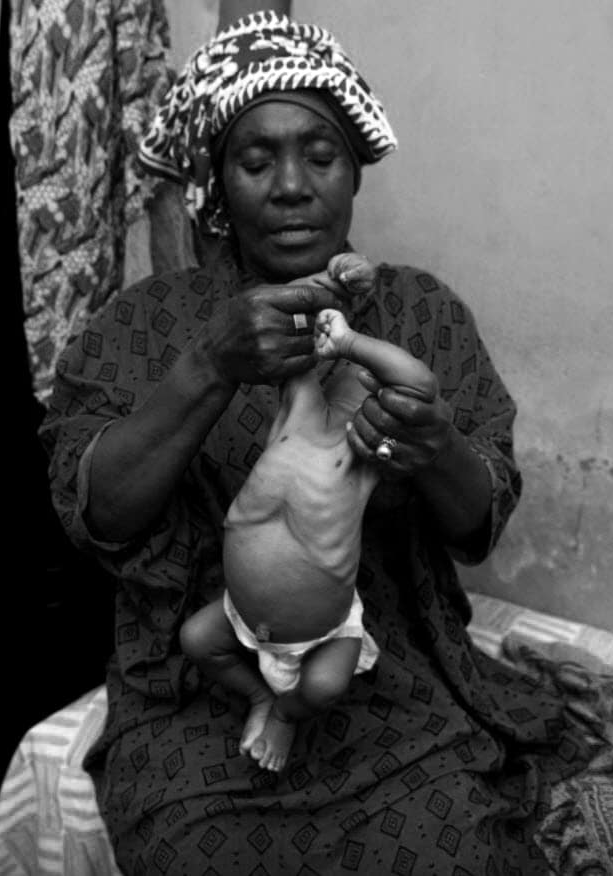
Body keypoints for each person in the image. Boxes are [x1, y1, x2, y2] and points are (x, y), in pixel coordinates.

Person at [40, 10, 592, 874]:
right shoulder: (145, 327)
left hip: (392, 683)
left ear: (355, 174)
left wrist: (434, 446)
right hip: (204, 703)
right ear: (219, 186)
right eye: (257, 161)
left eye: (321, 156)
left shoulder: (418, 313)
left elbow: (478, 524)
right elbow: (97, 516)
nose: (292, 185)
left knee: (459, 850)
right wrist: (209, 366)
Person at [181, 252, 437, 773]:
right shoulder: (297, 409)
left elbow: (418, 386)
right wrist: (331, 283)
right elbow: (288, 316)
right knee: (196, 640)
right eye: (351, 367)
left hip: (323, 633)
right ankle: (259, 696)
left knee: (323, 687)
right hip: (244, 618)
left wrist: (351, 343)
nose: (362, 379)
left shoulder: (362, 457)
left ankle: (286, 714)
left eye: (376, 380)